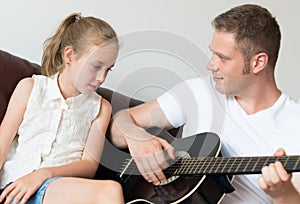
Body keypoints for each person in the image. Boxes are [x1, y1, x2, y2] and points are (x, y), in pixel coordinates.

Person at [110, 4, 300, 203]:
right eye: (213, 53)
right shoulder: (198, 92)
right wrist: (137, 138)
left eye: (223, 58)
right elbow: (119, 122)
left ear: (258, 63)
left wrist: (283, 194)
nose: (210, 65)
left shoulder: (295, 125)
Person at [0, 13, 124, 203]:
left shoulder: (100, 108)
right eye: (96, 66)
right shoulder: (30, 88)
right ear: (69, 55)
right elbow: (1, 145)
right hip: (16, 190)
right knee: (110, 191)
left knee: (111, 190)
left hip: (58, 189)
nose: (102, 78)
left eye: (108, 69)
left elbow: (89, 165)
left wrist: (43, 174)